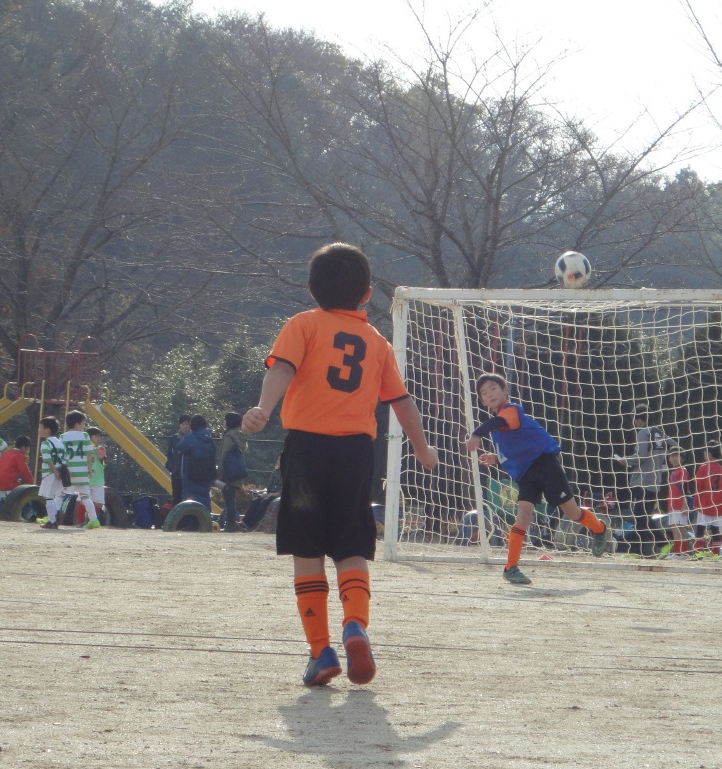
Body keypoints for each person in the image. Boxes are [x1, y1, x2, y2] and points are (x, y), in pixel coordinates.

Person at [242, 242, 438, 688]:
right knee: (352, 547)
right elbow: (401, 402)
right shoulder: (377, 343)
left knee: (307, 550)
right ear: (366, 295)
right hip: (355, 454)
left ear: (312, 290)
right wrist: (423, 449)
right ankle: (355, 625)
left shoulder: (303, 324)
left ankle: (321, 652)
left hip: (307, 450)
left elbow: (282, 369)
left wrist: (263, 408)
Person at [466, 372, 610, 585]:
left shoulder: (511, 410)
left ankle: (599, 529)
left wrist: (476, 434)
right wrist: (496, 458)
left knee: (572, 513)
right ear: (483, 401)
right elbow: (514, 452)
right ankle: (510, 567)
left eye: (493, 388)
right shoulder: (497, 430)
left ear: (505, 390)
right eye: (484, 393)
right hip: (526, 474)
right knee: (523, 515)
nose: (489, 394)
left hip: (545, 464)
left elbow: (503, 422)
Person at [617, 406, 671, 556]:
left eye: (634, 418)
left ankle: (662, 544)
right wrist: (662, 462)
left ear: (639, 419)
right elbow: (674, 445)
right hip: (655, 481)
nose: (634, 422)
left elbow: (641, 455)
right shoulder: (659, 432)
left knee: (640, 516)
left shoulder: (643, 432)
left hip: (642, 481)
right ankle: (639, 551)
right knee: (642, 518)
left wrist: (626, 461)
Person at [61, 410, 100, 529]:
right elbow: (89, 454)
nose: (84, 425)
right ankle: (94, 520)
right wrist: (89, 469)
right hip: (82, 472)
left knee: (63, 495)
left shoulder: (62, 437)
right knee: (85, 496)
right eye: (83, 423)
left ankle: (56, 517)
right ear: (77, 424)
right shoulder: (85, 436)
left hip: (69, 472)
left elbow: (61, 455)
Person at [0, 435, 33, 520]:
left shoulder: (6, 453)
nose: (27, 451)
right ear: (23, 447)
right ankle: (19, 516)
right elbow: (24, 471)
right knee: (18, 497)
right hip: (9, 482)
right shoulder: (19, 455)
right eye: (27, 449)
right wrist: (31, 482)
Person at [693, 445, 722, 554]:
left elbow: (698, 486)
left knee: (700, 528)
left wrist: (696, 501)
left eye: (705, 453)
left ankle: (698, 552)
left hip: (705, 503)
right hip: (719, 505)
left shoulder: (703, 467)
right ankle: (716, 553)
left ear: (709, 454)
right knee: (716, 530)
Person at [217, 411, 248, 532]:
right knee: (231, 497)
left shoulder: (229, 436)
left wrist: (219, 472)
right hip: (236, 471)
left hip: (228, 472)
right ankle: (232, 522)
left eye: (225, 420)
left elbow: (223, 455)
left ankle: (231, 523)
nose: (223, 422)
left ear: (229, 422)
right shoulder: (240, 436)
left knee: (228, 498)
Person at [178, 414, 216, 507]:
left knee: (190, 497)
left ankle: (191, 515)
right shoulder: (209, 437)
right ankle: (205, 514)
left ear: (192, 425)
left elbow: (181, 448)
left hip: (192, 471)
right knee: (205, 495)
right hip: (207, 472)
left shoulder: (190, 437)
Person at [36, 416, 67, 529]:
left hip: (50, 473)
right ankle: (56, 516)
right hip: (60, 472)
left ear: (47, 430)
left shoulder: (45, 443)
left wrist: (54, 472)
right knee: (54, 496)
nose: (39, 430)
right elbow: (65, 459)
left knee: (48, 497)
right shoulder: (60, 443)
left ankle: (54, 519)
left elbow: (48, 460)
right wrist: (60, 472)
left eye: (41, 427)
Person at [663, 448, 693, 558]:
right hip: (672, 504)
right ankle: (681, 553)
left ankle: (680, 553)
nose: (674, 458)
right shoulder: (673, 472)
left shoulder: (682, 470)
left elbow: (684, 488)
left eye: (677, 455)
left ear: (682, 458)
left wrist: (685, 505)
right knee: (676, 528)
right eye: (672, 456)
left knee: (678, 528)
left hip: (679, 504)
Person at [165, 414, 190, 505]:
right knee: (176, 498)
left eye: (187, 424)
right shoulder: (174, 439)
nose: (185, 426)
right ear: (179, 425)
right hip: (176, 475)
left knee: (188, 499)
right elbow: (169, 454)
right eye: (183, 424)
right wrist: (173, 467)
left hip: (189, 475)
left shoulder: (192, 438)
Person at [86, 427, 108, 526]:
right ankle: (80, 522)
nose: (99, 439)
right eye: (96, 436)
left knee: (99, 503)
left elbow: (100, 456)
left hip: (98, 481)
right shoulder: (85, 448)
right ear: (89, 438)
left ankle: (91, 518)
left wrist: (93, 447)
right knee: (82, 501)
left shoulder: (101, 448)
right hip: (86, 480)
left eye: (100, 437)